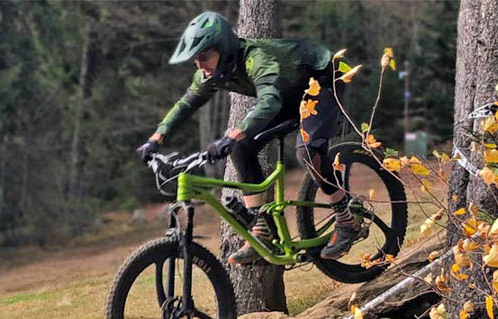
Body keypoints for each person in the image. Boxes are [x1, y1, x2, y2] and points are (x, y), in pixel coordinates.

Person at [137, 11, 357, 263]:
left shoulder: (255, 58)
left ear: (224, 49)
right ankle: (263, 229)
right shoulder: (210, 73)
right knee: (240, 148)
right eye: (195, 60)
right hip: (290, 90)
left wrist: (235, 133)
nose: (199, 65)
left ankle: (345, 218)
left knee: (307, 151)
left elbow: (270, 101)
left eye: (204, 57)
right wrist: (156, 138)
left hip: (325, 75)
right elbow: (186, 104)